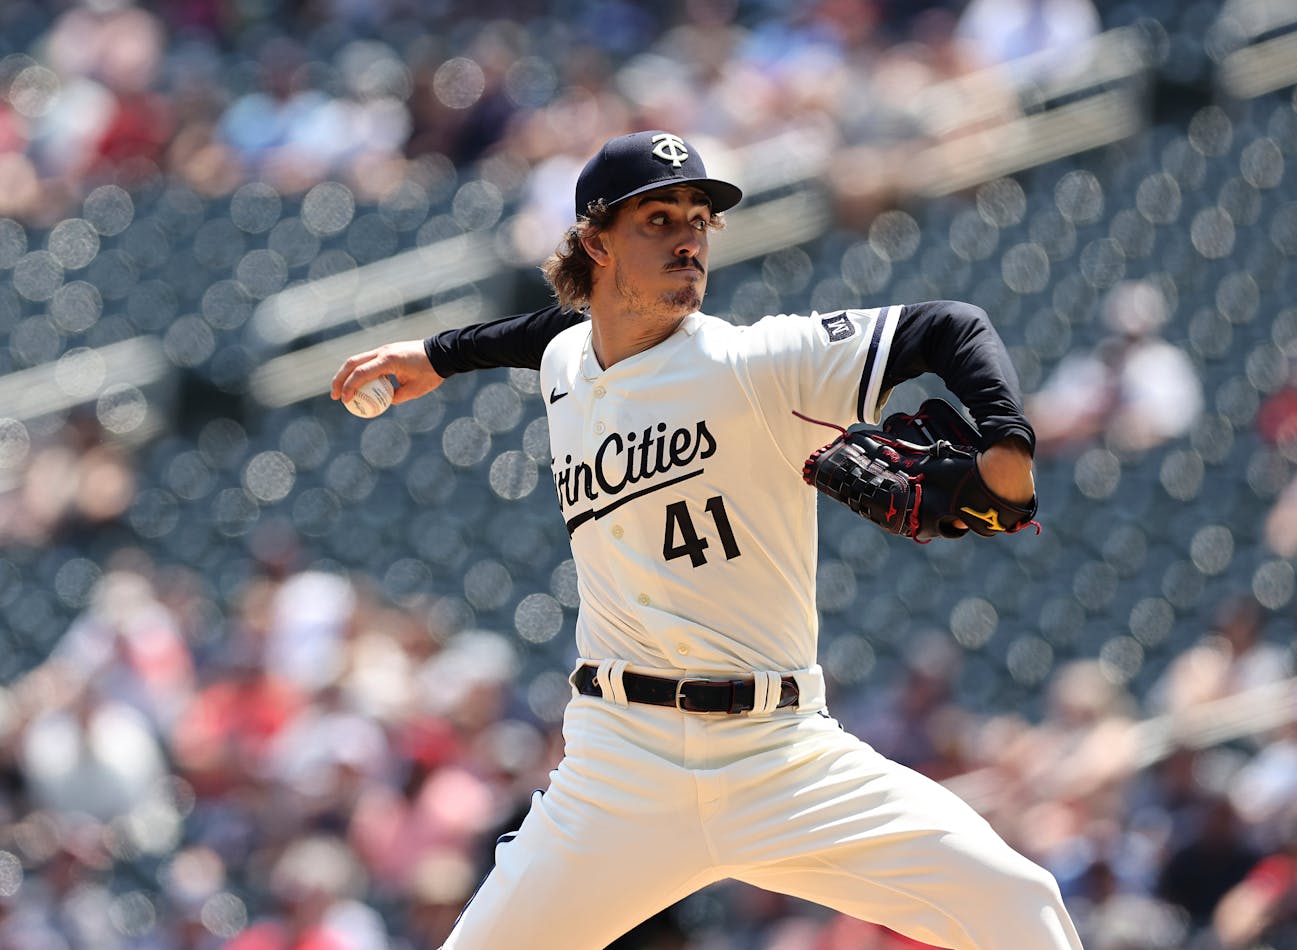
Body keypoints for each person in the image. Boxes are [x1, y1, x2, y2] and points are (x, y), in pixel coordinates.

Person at [331, 130, 1082, 949]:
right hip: (620, 766)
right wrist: (439, 356)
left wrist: (1006, 440)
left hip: (779, 754)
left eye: (698, 217)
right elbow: (548, 335)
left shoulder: (755, 363)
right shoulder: (564, 363)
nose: (688, 235)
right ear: (595, 241)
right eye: (657, 219)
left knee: (1019, 903)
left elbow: (953, 327)